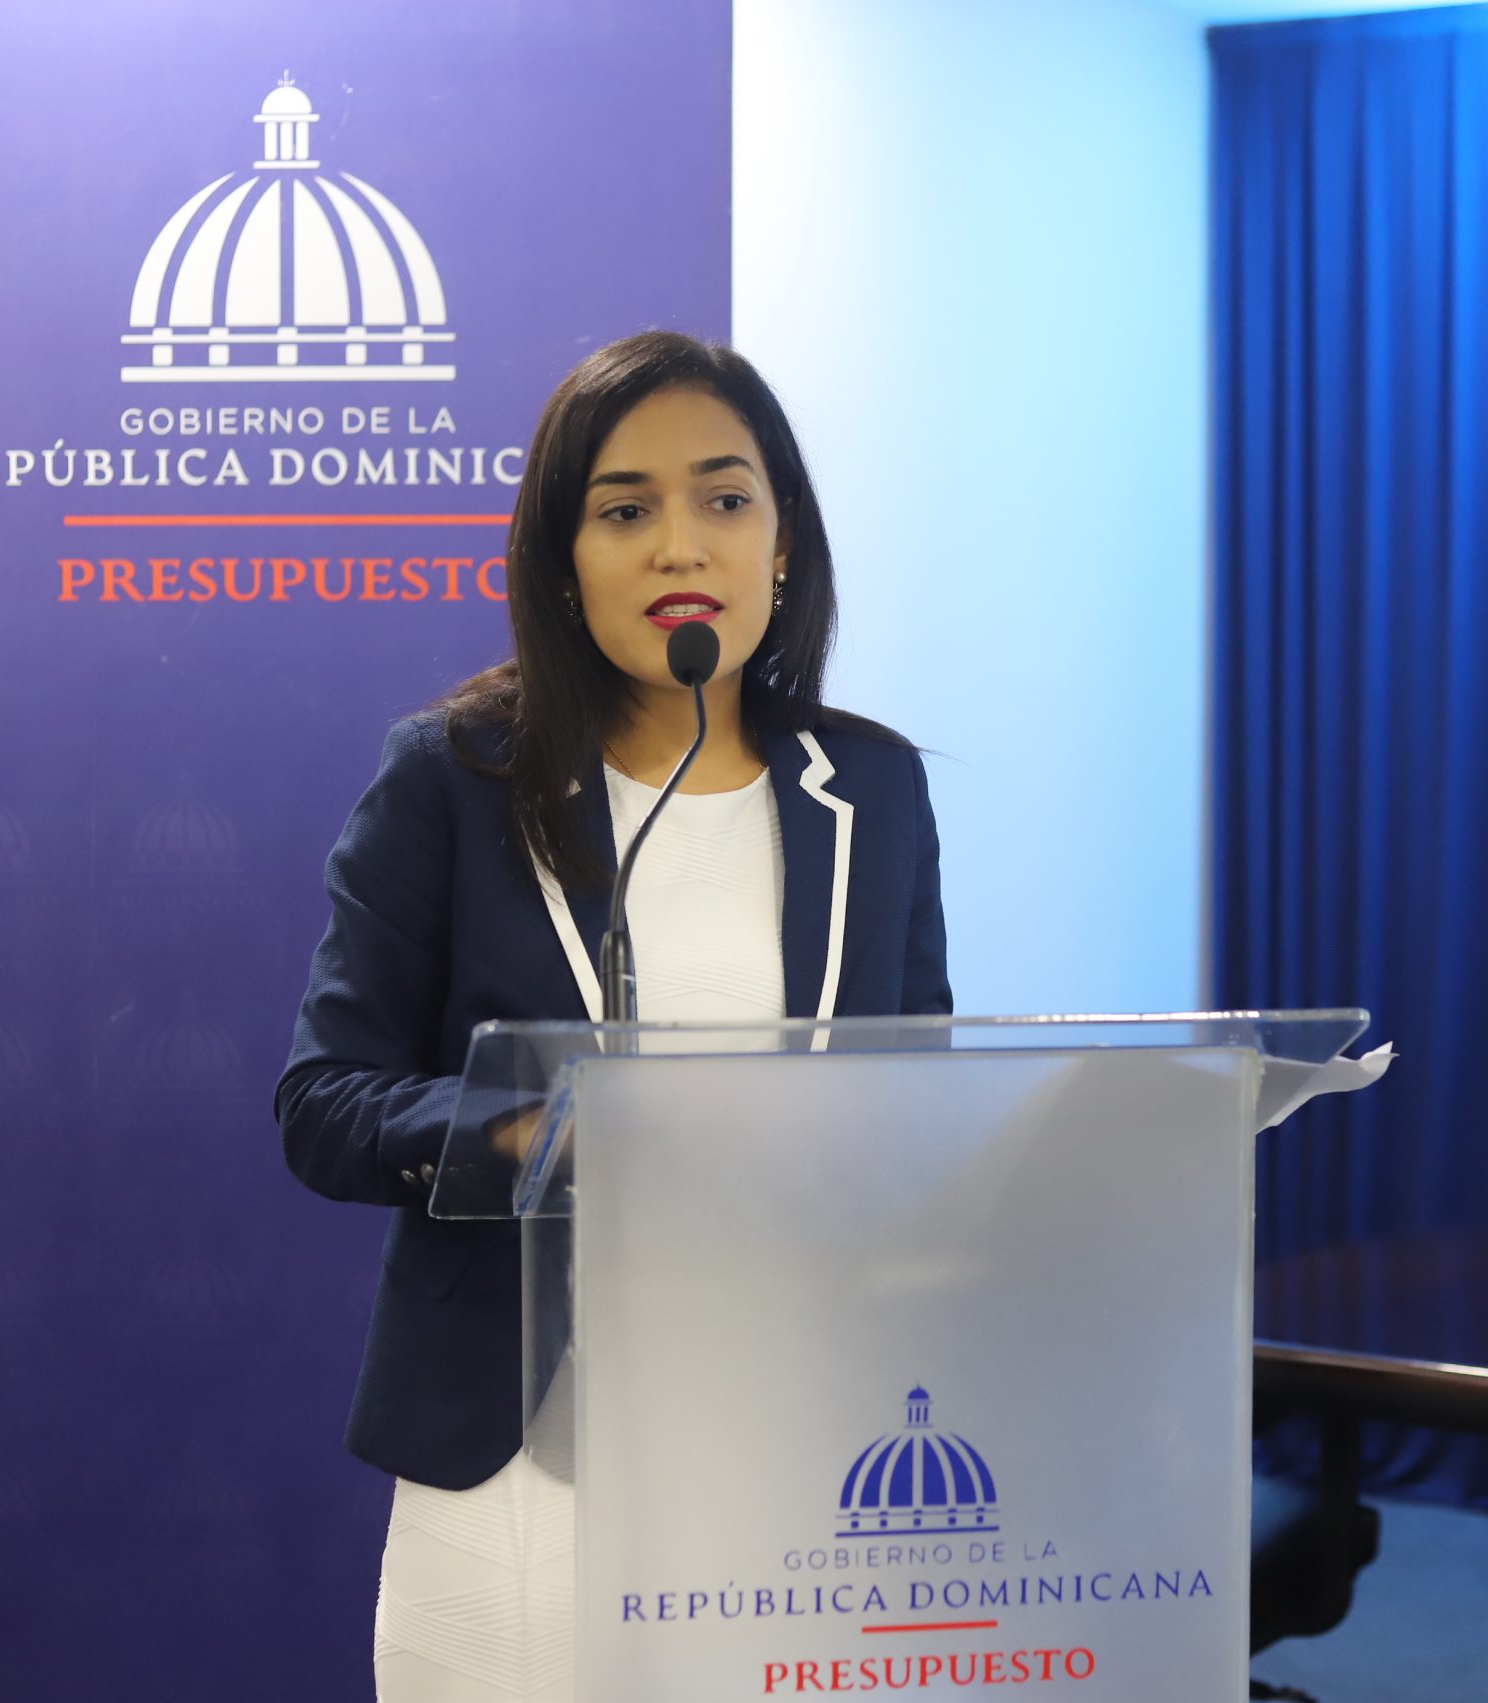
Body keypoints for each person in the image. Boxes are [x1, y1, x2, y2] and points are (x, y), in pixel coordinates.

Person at [275, 331, 952, 1702]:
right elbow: (325, 1105)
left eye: (724, 498)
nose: (679, 546)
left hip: (794, 1428)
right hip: (519, 1439)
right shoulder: (453, 780)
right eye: (625, 510)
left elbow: (919, 1083)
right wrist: (534, 1137)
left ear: (781, 541)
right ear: (563, 558)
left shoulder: (868, 791)